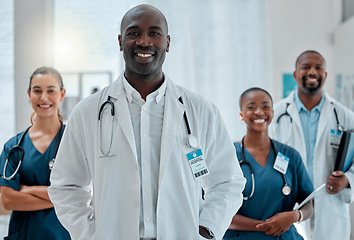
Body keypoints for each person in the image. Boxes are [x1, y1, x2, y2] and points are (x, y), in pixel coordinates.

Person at [48, 4, 246, 240]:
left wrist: (206, 229)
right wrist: (90, 234)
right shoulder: (88, 112)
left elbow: (228, 181)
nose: (144, 42)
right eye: (134, 33)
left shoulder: (201, 111)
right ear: (120, 41)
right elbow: (65, 186)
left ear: (168, 43)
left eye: (154, 33)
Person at [269, 50, 354, 240]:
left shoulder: (345, 116)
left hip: (331, 207)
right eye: (306, 67)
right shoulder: (276, 114)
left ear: (325, 75)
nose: (312, 72)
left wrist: (347, 179)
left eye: (318, 68)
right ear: (295, 74)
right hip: (289, 204)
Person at [223, 88, 313, 240]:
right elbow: (215, 208)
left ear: (272, 112)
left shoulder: (290, 156)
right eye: (251, 107)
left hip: (284, 237)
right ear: (241, 115)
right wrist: (267, 226)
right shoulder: (227, 156)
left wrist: (295, 216)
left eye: (265, 106)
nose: (259, 112)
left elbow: (309, 204)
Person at [0, 67, 70, 239]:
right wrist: (58, 197)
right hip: (25, 233)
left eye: (51, 91)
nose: (43, 97)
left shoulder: (74, 142)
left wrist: (27, 190)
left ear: (61, 94)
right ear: (29, 94)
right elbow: (8, 201)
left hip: (64, 234)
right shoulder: (14, 146)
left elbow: (83, 193)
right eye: (37, 91)